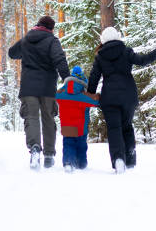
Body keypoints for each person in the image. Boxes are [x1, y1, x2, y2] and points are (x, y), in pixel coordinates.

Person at [87, 27, 156, 173]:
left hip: (109, 98)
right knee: (127, 126)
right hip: (128, 97)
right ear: (118, 37)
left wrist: (90, 94)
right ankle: (129, 159)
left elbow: (94, 78)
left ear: (103, 41)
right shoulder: (126, 51)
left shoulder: (100, 56)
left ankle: (118, 159)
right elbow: (143, 60)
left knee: (114, 129)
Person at [8, 15, 70, 170]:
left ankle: (35, 148)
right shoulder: (52, 41)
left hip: (29, 87)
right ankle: (49, 154)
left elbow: (12, 53)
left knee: (31, 117)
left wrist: (26, 47)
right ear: (50, 28)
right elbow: (59, 59)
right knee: (48, 118)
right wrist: (67, 78)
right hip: (48, 87)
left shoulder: (27, 39)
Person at [55, 66, 100, 172]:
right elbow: (95, 102)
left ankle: (68, 163)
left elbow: (54, 95)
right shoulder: (82, 96)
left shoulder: (61, 94)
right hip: (80, 127)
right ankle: (81, 164)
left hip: (66, 127)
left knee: (68, 144)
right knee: (81, 145)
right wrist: (98, 96)